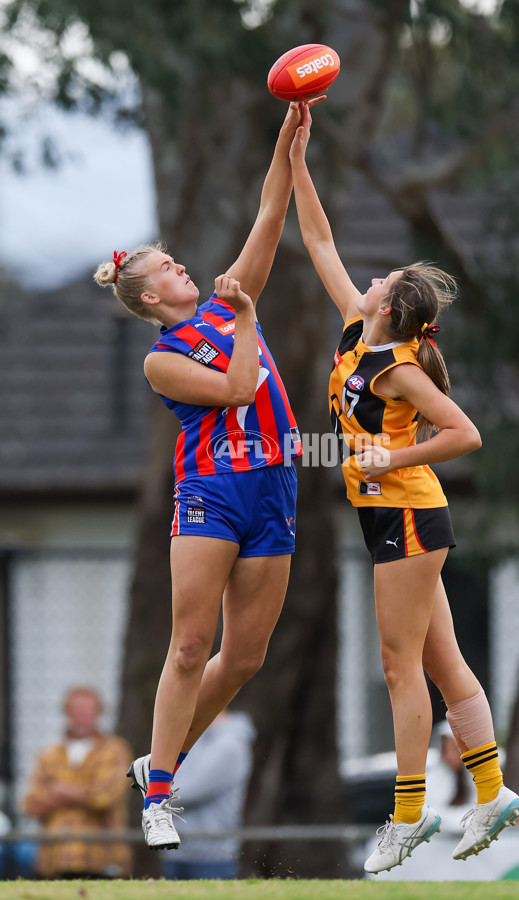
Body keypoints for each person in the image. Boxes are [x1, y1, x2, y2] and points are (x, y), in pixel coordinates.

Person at [288, 102, 519, 874]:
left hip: (408, 515)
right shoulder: (362, 330)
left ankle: (410, 812)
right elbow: (318, 238)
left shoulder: (397, 366)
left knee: (399, 666)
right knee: (443, 659)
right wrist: (296, 157)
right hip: (393, 518)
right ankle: (492, 792)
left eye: (383, 279)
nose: (373, 277)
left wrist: (388, 464)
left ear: (391, 306)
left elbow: (464, 434)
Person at [93, 98, 324, 852]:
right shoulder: (166, 357)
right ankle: (159, 797)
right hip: (213, 492)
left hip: (274, 487)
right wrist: (249, 320)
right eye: (168, 268)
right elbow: (234, 389)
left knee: (246, 657)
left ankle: (157, 763)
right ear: (153, 298)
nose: (182, 266)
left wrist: (289, 144)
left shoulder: (228, 297)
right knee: (191, 647)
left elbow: (268, 216)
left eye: (176, 259)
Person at [22, 687, 132, 879]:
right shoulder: (48, 755)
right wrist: (84, 794)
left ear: (98, 713)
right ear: (66, 713)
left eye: (87, 710)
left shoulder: (115, 750)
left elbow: (107, 797)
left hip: (101, 858)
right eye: (76, 710)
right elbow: (31, 805)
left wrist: (60, 792)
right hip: (55, 858)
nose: (81, 716)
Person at [160, 709, 255, 880]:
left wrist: (156, 792)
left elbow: (188, 791)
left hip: (211, 857)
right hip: (177, 852)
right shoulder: (195, 740)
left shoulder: (229, 746)